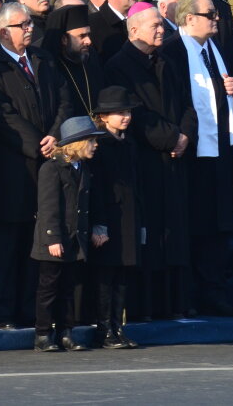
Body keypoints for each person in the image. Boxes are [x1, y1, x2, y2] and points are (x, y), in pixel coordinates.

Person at [0, 1, 67, 330]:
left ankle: (31, 309)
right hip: (8, 170)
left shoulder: (44, 59)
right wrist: (38, 145)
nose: (30, 28)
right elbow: (0, 115)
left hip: (47, 165)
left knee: (36, 241)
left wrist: (55, 135)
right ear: (2, 31)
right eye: (22, 24)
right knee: (7, 244)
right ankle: (2, 312)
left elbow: (64, 99)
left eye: (29, 23)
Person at [160, 0, 233, 317]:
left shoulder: (213, 48)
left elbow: (218, 91)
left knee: (219, 223)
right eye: (210, 14)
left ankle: (214, 289)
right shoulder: (173, 51)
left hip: (219, 149)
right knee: (195, 222)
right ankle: (192, 292)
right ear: (189, 18)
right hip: (191, 152)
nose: (217, 19)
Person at [105, 6, 191, 321]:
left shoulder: (168, 61)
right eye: (155, 25)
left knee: (173, 233)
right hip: (144, 161)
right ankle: (146, 306)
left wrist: (185, 136)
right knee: (151, 235)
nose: (161, 30)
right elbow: (133, 114)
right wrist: (172, 139)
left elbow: (187, 104)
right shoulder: (119, 66)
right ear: (134, 29)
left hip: (174, 161)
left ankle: (173, 304)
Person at [32, 116, 100, 353]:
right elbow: (48, 206)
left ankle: (65, 332)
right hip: (55, 240)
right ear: (79, 142)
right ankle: (42, 335)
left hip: (74, 238)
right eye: (91, 141)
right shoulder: (52, 168)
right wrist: (52, 238)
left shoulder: (84, 169)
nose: (95, 145)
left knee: (70, 288)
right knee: (49, 288)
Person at [89, 86, 142, 349]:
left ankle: (117, 327)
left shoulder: (129, 142)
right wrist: (99, 223)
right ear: (104, 116)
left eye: (128, 112)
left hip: (128, 217)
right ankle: (103, 328)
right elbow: (97, 188)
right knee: (105, 274)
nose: (126, 117)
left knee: (122, 273)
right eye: (120, 113)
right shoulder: (99, 144)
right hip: (108, 217)